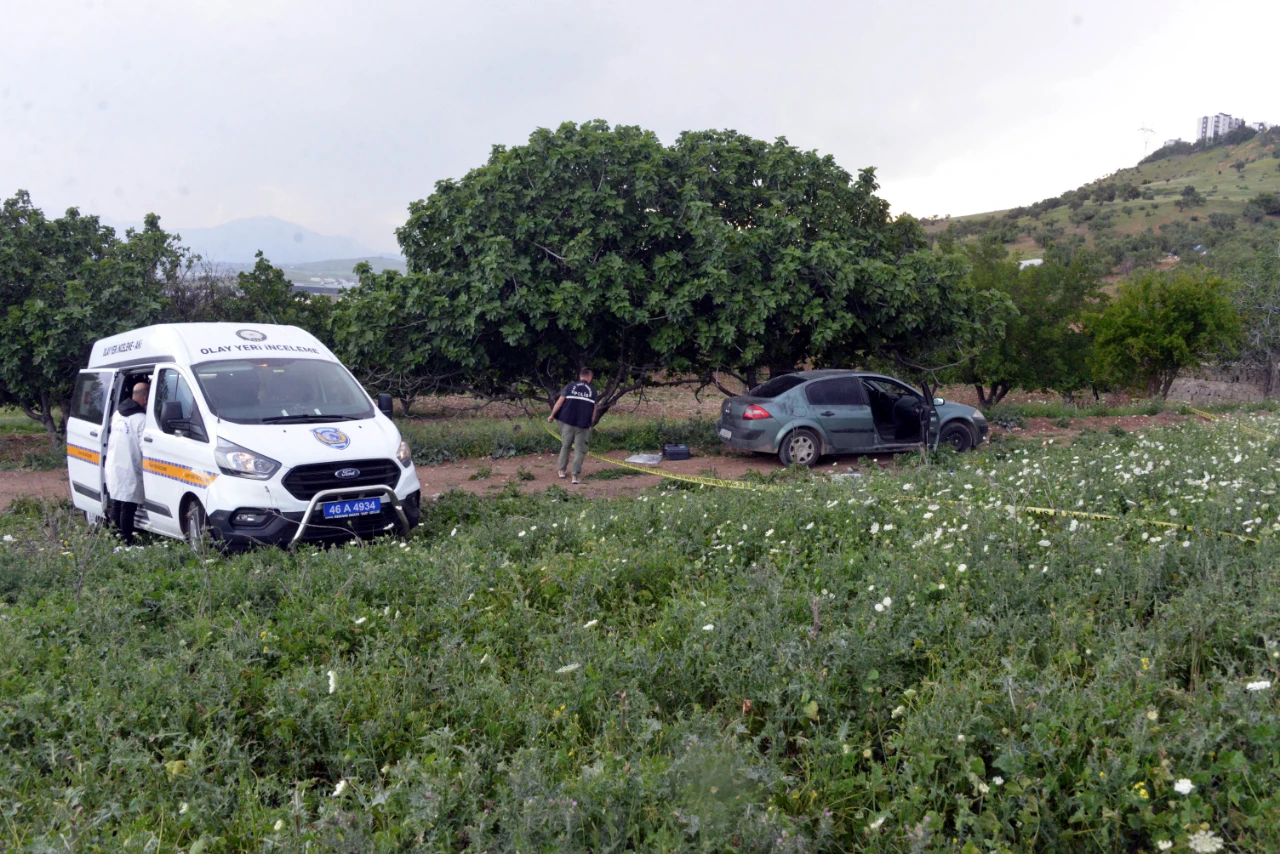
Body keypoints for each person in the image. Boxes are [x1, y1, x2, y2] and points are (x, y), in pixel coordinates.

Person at [104, 380, 149, 544]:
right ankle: (126, 541)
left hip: (114, 464)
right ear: (144, 397)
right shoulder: (141, 419)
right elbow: (146, 448)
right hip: (130, 467)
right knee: (127, 507)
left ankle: (113, 538)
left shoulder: (118, 413)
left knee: (116, 502)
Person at [547, 367, 598, 484]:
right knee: (580, 450)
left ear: (580, 376)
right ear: (589, 377)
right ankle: (575, 476)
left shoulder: (570, 386)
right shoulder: (593, 390)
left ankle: (561, 471)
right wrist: (591, 423)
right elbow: (594, 410)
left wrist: (552, 415)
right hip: (583, 424)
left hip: (567, 422)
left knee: (565, 446)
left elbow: (559, 402)